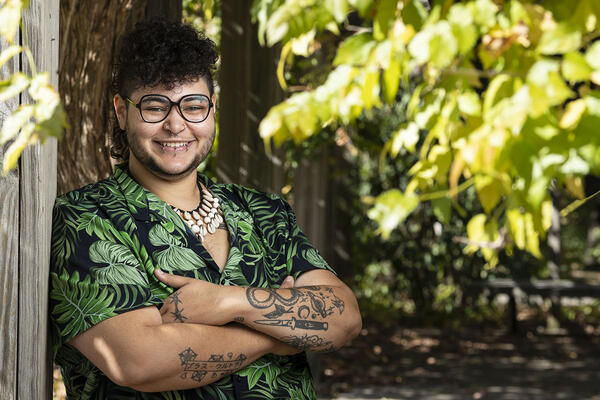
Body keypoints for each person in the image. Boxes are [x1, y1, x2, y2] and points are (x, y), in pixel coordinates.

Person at [49, 19, 361, 399]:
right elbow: (140, 361)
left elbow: (344, 318)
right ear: (121, 112)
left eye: (193, 106)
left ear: (212, 109)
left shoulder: (264, 212)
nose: (175, 125)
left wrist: (227, 302)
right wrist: (279, 335)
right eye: (154, 107)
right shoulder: (87, 218)